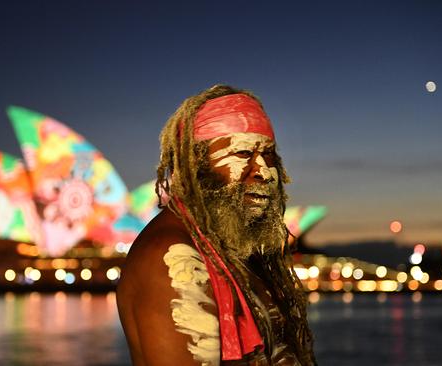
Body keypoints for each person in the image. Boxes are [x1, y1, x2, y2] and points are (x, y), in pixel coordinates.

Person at [116, 85, 316, 365]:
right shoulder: (171, 258)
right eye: (243, 154)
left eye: (268, 155)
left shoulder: (230, 248)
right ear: (195, 163)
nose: (262, 171)